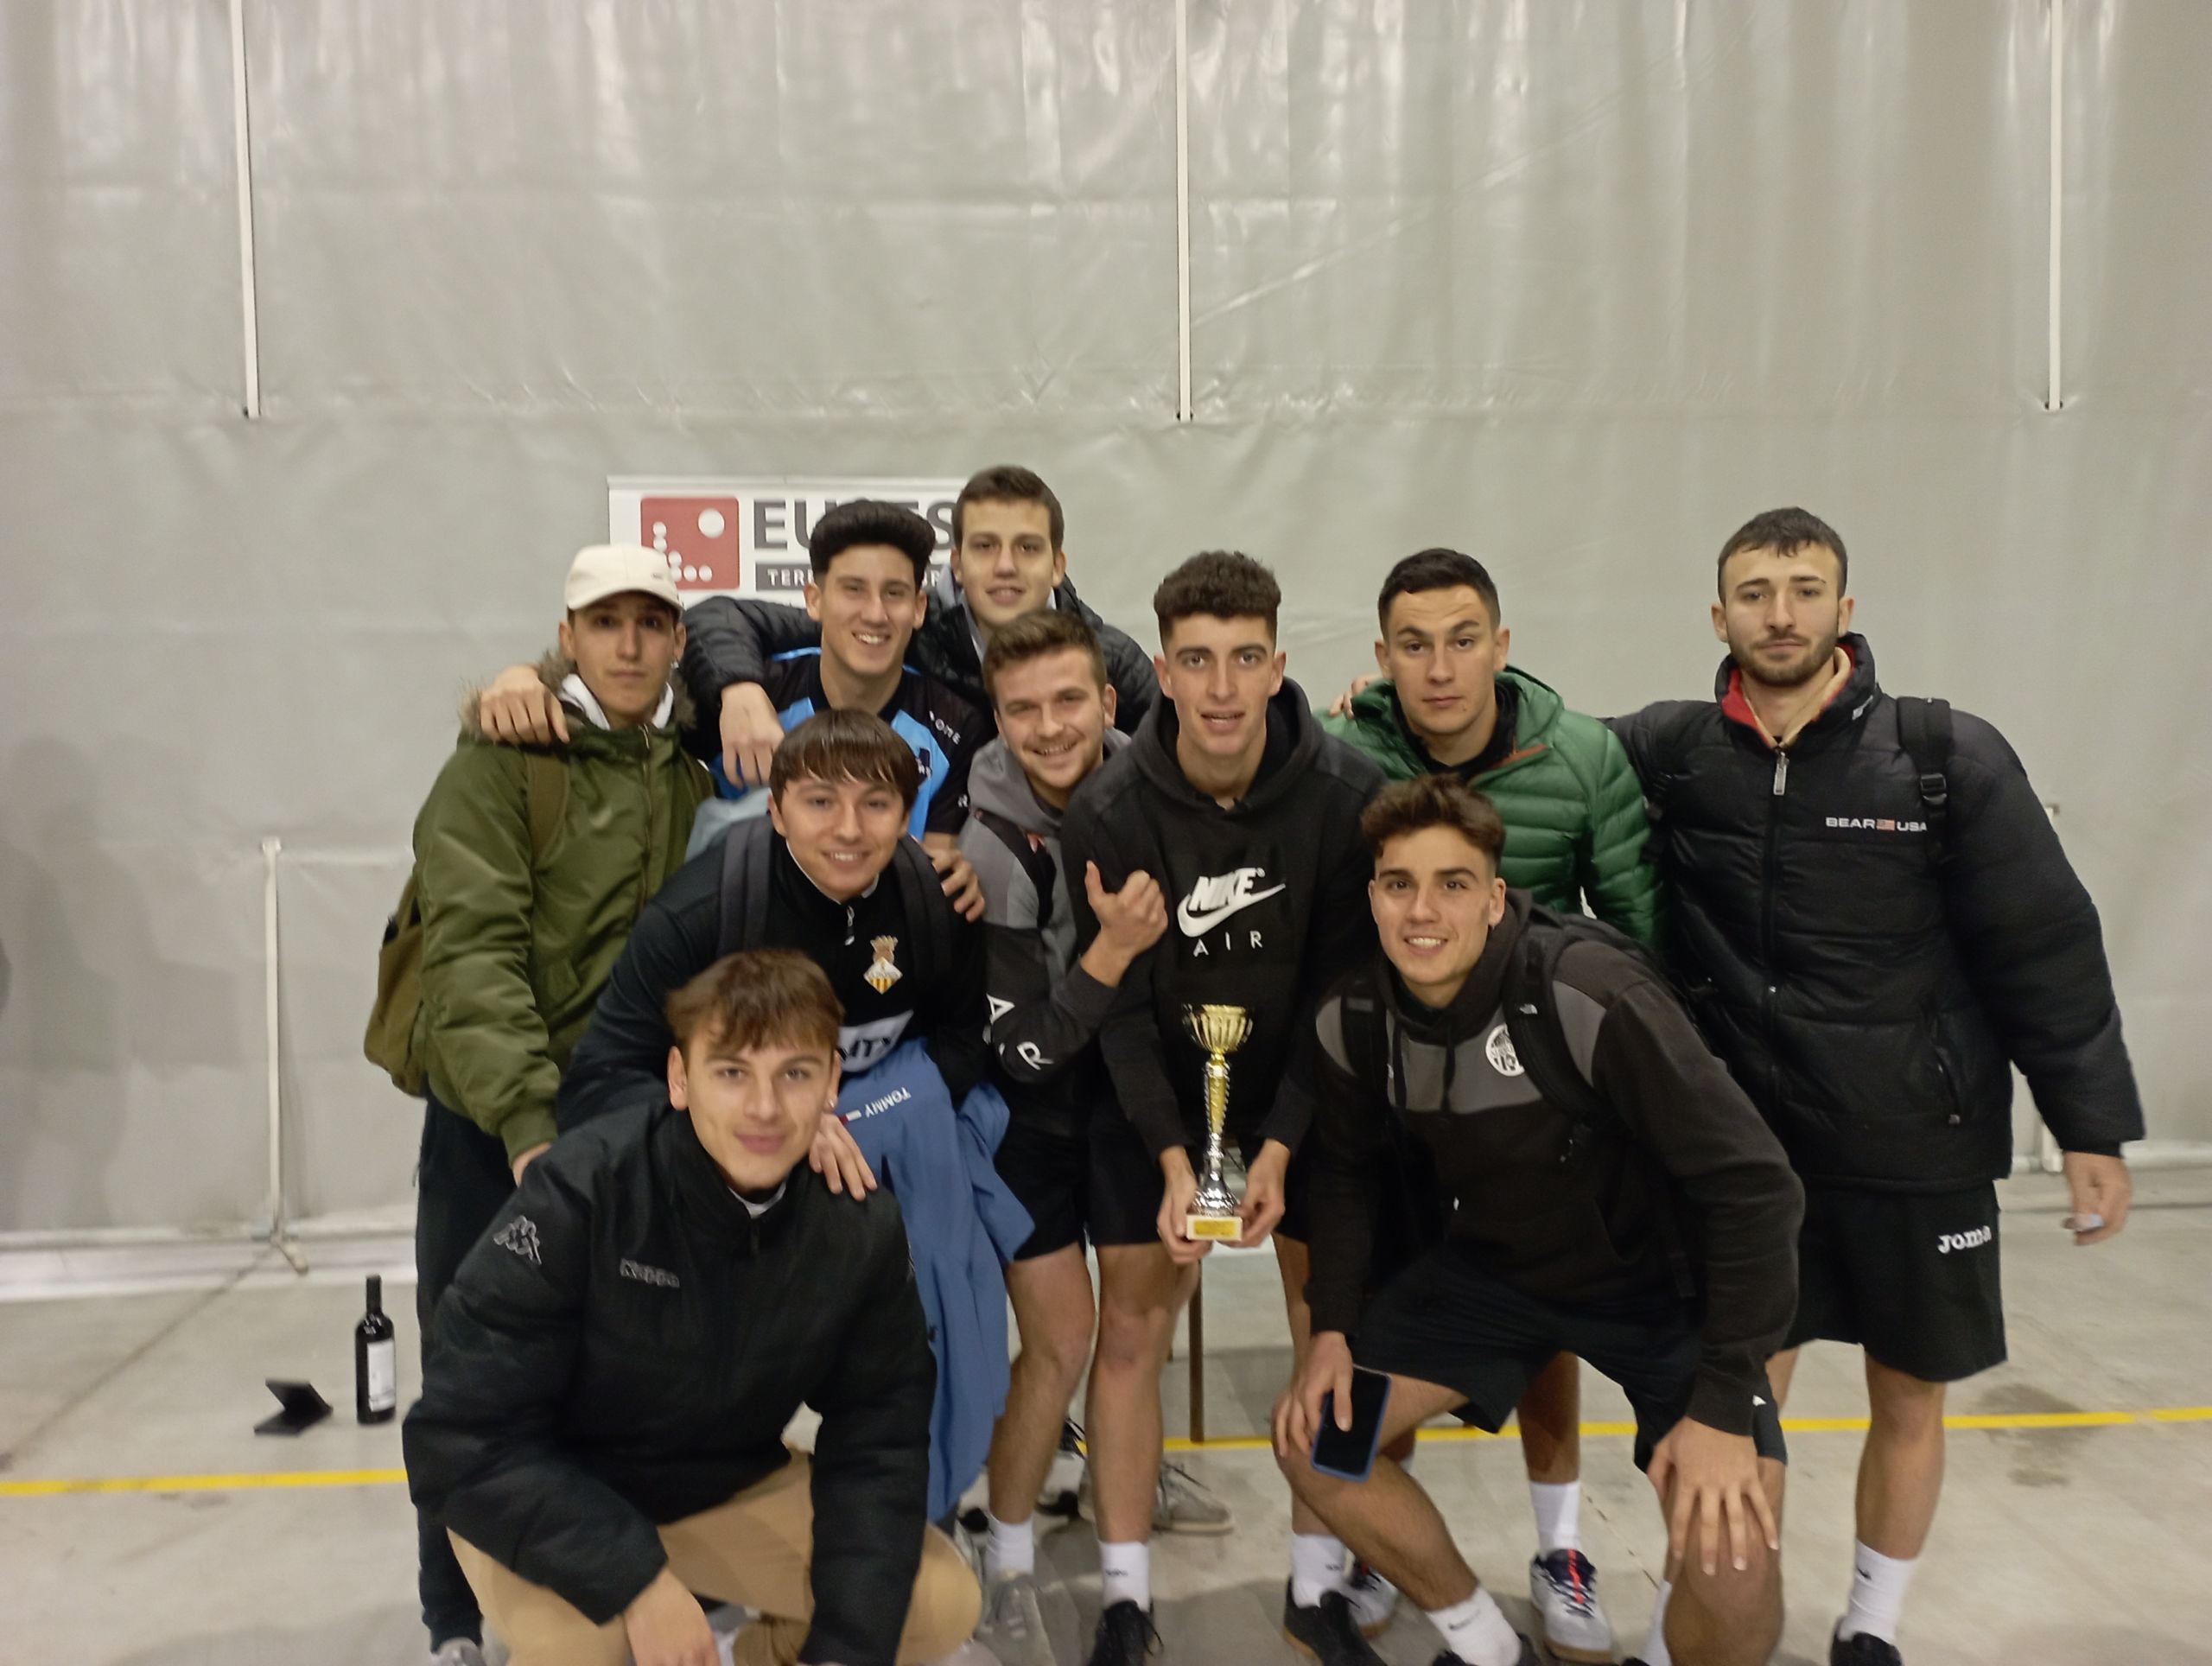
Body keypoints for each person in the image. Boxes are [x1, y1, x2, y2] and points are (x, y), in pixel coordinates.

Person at [1608, 507, 2145, 1666]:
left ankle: (1871, 1623)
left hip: (1918, 1146)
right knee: (1732, 1406)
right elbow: (1526, 751)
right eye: (1756, 592)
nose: (1781, 614)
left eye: (1805, 589)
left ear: (1845, 610)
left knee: (1908, 1398)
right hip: (1750, 1161)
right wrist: (1380, 708)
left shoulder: (1945, 756)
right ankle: (1692, 1624)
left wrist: (2090, 1121)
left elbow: (2044, 944)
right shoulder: (1673, 750)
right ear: (1718, 616)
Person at [1275, 775, 1802, 1666]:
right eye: (1399, 884)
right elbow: (1347, 1177)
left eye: (1452, 883)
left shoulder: (1588, 992)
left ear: (1494, 897)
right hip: (1498, 1273)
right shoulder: (1354, 1018)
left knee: (1735, 1556)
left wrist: (1720, 1404)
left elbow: (1757, 1187)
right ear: (1372, 899)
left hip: (1661, 1289)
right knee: (1317, 1441)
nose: (1421, 910)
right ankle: (1488, 1647)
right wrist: (1331, 1328)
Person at [404, 948, 983, 1666]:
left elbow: (879, 1439)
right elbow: (456, 1436)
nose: (765, 1108)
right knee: (580, 1646)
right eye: (732, 1073)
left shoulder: (855, 1228)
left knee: (934, 1603)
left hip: (722, 1489)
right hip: (552, 1490)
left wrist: (844, 1650)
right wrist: (638, 1583)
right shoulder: (585, 1192)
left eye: (795, 1074)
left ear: (832, 1082)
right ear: (680, 1079)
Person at [1320, 546, 1660, 1658]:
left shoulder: (1582, 754)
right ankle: (1380, 1545)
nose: (1440, 667)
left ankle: (1561, 1549)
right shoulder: (1343, 748)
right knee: (1381, 1327)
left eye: (1462, 640)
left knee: (1544, 1331)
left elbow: (1638, 932)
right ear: (1381, 657)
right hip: (1394, 1103)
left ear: (1500, 645)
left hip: (1536, 1119)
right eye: (1413, 645)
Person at [1059, 551, 1385, 1666]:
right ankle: (1123, 1597)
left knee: (1330, 1330)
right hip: (1158, 1090)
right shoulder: (1107, 808)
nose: (1221, 686)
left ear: (1278, 665)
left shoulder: (1346, 797)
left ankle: (1318, 1582)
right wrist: (1168, 1153)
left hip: (1310, 1085)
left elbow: (1346, 996)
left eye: (1245, 658)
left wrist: (1282, 1140)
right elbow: (1114, 1007)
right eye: (1196, 660)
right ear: (1161, 671)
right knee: (1129, 1329)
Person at [392, 543, 710, 1666]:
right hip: (494, 1122)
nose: (628, 643)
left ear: (677, 639)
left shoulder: (684, 766)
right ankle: (453, 1617)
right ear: (566, 637)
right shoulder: (501, 761)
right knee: (469, 1360)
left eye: (649, 622)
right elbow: (471, 957)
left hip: (628, 1120)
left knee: (624, 1361)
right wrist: (529, 1124)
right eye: (604, 622)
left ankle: (620, 1578)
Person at [957, 612, 1229, 1666]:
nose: (1049, 725)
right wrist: (1112, 951)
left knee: (1129, 1346)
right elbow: (1023, 1049)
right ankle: (1006, 1562)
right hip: (1027, 1115)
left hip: (1139, 1108)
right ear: (997, 717)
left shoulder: (1163, 794)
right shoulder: (987, 842)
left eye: (1069, 699)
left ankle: (1126, 1591)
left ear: (1111, 703)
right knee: (1060, 1344)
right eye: (1022, 708)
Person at [475, 500, 988, 919]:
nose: (874, 613)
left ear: (919, 608)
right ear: (813, 600)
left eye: (894, 594)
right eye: (852, 590)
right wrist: (529, 675)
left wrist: (949, 876)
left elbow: (933, 870)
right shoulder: (748, 690)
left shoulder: (955, 722)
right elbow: (625, 698)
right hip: (737, 959)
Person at [556, 708, 987, 1133]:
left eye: (875, 803)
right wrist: (765, 1133)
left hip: (887, 1131)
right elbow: (600, 1081)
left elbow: (963, 1043)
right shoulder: (700, 913)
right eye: (820, 802)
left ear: (905, 817)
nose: (849, 829)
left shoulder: (938, 899)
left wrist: (866, 1120)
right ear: (777, 812)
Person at [686, 467, 1156, 792]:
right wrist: (739, 688)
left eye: (1027, 548)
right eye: (985, 546)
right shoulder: (911, 626)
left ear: (1057, 565)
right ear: (958, 564)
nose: (1006, 566)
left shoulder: (1113, 660)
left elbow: (1169, 765)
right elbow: (720, 617)